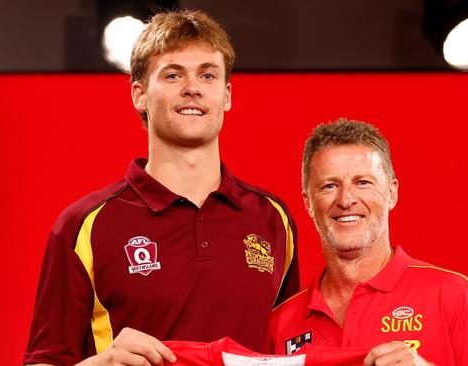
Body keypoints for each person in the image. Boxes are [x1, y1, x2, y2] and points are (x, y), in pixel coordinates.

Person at [24, 10, 299, 366]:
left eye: (208, 75)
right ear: (139, 94)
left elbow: (293, 353)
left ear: (227, 95)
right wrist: (100, 364)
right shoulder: (83, 225)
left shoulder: (272, 219)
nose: (192, 88)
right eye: (172, 75)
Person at [268, 119, 468, 366]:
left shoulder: (453, 296)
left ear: (392, 193)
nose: (346, 199)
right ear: (307, 203)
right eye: (329, 186)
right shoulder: (281, 322)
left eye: (363, 182)